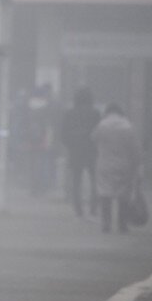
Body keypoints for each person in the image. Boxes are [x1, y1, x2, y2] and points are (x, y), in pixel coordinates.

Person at [92, 103, 142, 233]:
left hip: (105, 163)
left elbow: (93, 138)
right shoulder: (128, 126)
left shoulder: (101, 125)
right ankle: (122, 225)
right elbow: (135, 149)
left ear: (108, 112)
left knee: (105, 194)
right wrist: (137, 164)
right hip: (124, 164)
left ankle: (106, 224)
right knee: (123, 195)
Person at [61, 87, 101, 216]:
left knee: (76, 181)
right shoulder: (95, 113)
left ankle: (78, 208)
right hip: (91, 150)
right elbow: (99, 132)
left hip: (75, 151)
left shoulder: (69, 114)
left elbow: (63, 134)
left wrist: (70, 144)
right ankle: (93, 207)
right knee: (95, 179)